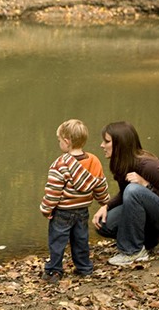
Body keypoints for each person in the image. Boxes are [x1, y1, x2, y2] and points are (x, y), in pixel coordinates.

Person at [92, 121, 159, 266]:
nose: (102, 145)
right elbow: (124, 194)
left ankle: (133, 252)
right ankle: (152, 240)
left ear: (120, 144)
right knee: (104, 224)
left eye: (107, 141)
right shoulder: (122, 163)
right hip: (157, 209)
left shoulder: (149, 165)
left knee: (134, 190)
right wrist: (106, 206)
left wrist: (146, 185)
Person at [40, 119, 110, 282]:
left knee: (57, 241)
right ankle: (84, 267)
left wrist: (46, 209)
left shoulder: (60, 164)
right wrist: (104, 202)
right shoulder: (93, 160)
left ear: (66, 141)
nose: (59, 144)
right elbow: (100, 184)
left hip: (63, 212)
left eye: (59, 141)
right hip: (82, 211)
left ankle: (54, 271)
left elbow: (53, 191)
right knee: (80, 239)